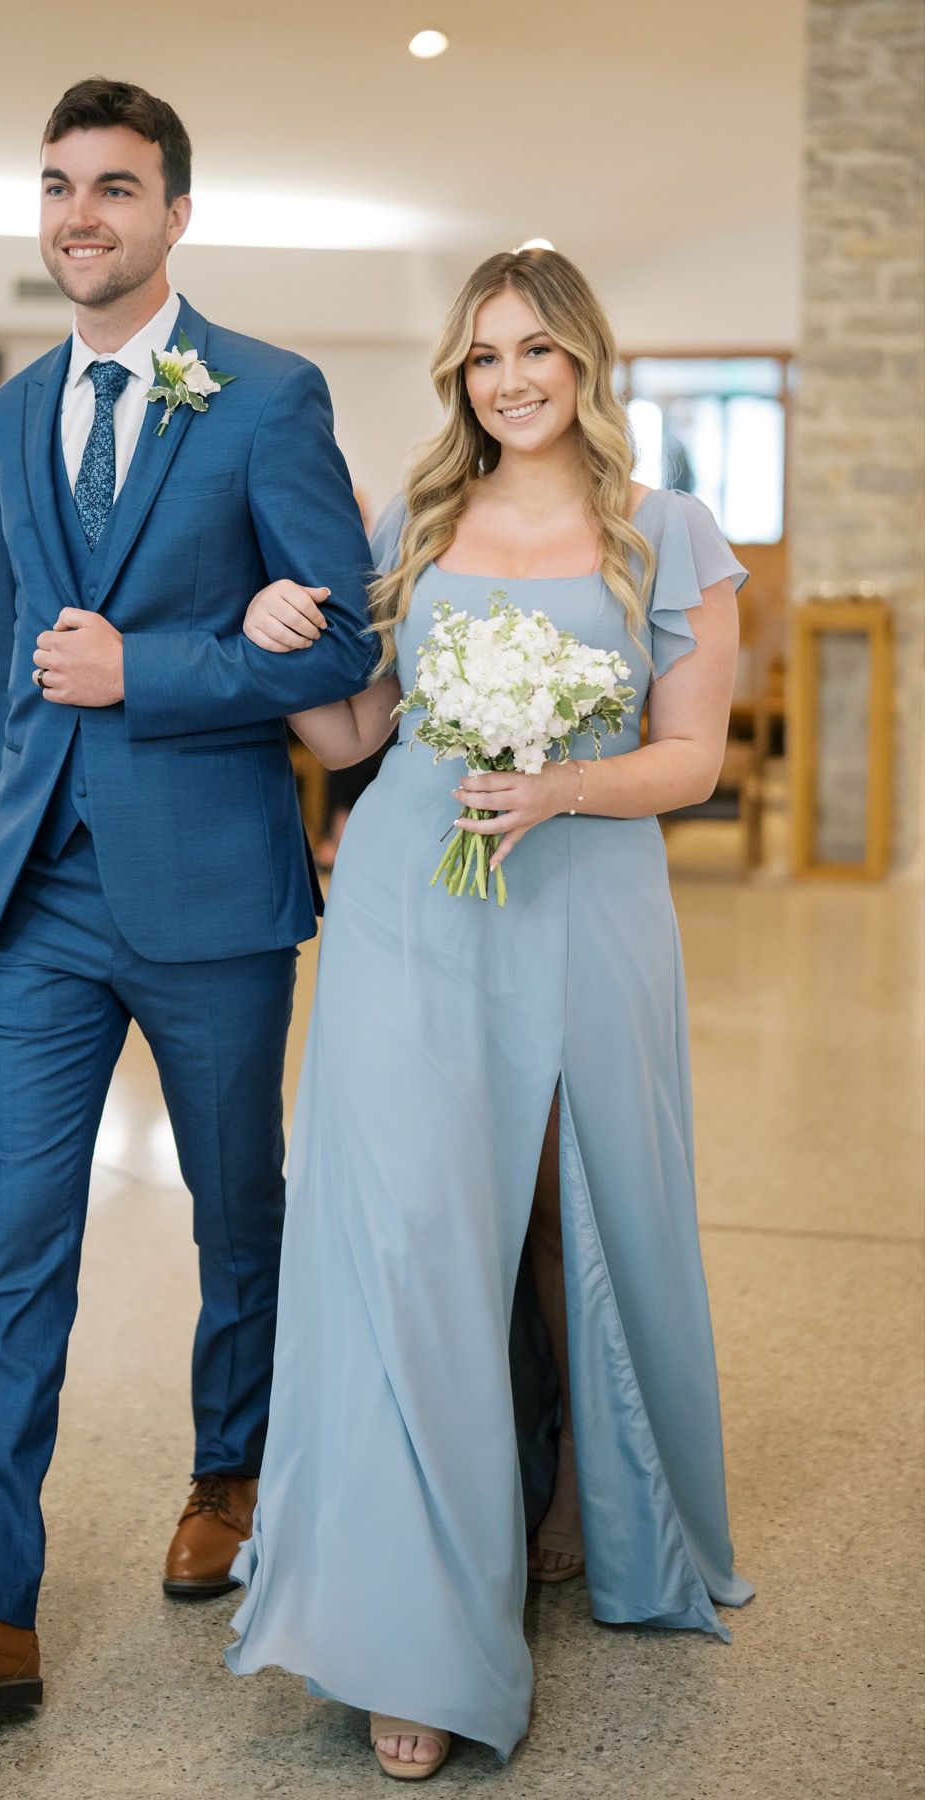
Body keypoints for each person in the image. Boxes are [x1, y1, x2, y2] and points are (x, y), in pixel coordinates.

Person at [0, 77, 374, 1709]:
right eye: (59, 185)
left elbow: (347, 648)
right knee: (19, 1243)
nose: (82, 212)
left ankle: (231, 1475)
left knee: (240, 1216)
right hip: (39, 911)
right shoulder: (9, 413)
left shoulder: (269, 397)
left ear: (175, 214)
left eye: (117, 187)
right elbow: (23, 652)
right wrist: (0, 847)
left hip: (212, 893)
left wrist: (145, 668)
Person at [226, 247, 754, 1778]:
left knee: (565, 1212)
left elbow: (694, 759)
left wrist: (560, 784)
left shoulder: (670, 533)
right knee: (408, 1231)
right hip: (409, 894)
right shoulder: (420, 520)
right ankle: (417, 1628)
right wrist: (281, 654)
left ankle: (592, 1491)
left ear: (586, 360)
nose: (510, 380)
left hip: (584, 896)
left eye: (537, 350)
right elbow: (358, 731)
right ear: (457, 378)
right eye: (481, 357)